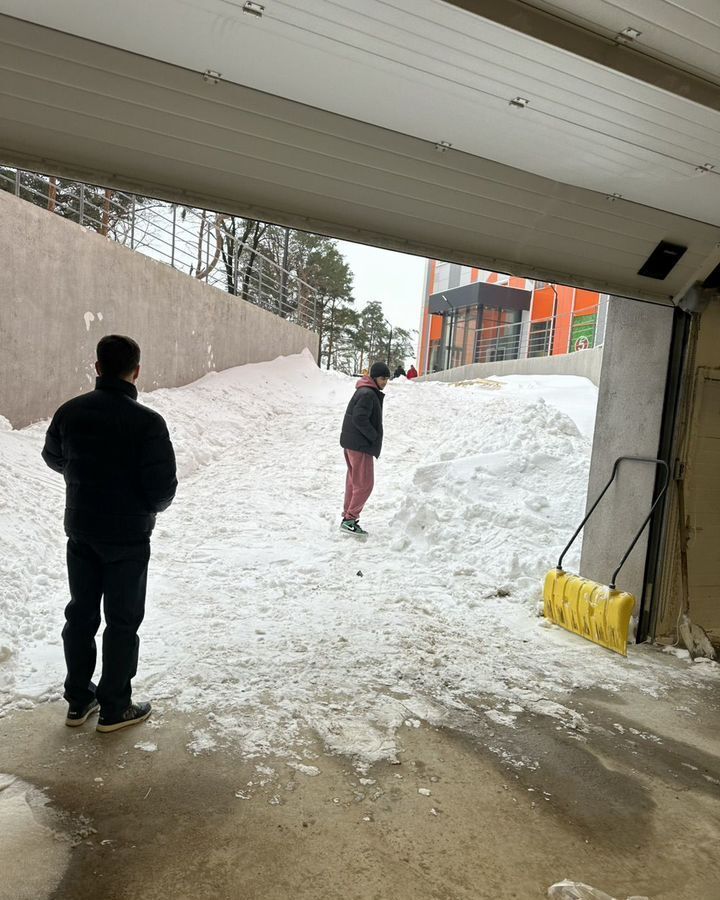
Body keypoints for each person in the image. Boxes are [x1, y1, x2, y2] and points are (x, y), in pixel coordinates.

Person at [42, 335, 177, 733]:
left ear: (97, 367)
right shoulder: (147, 423)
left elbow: (52, 456)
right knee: (122, 621)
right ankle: (115, 706)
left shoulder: (70, 412)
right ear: (136, 371)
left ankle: (78, 700)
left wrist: (81, 475)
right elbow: (162, 488)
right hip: (129, 538)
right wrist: (148, 507)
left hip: (81, 532)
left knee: (80, 614)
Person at [339, 361, 390, 537]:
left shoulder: (364, 391)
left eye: (387, 379)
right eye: (383, 378)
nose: (385, 382)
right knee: (365, 484)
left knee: (354, 481)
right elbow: (360, 418)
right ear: (375, 377)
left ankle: (347, 516)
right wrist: (373, 436)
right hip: (360, 445)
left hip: (352, 443)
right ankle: (350, 520)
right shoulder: (368, 393)